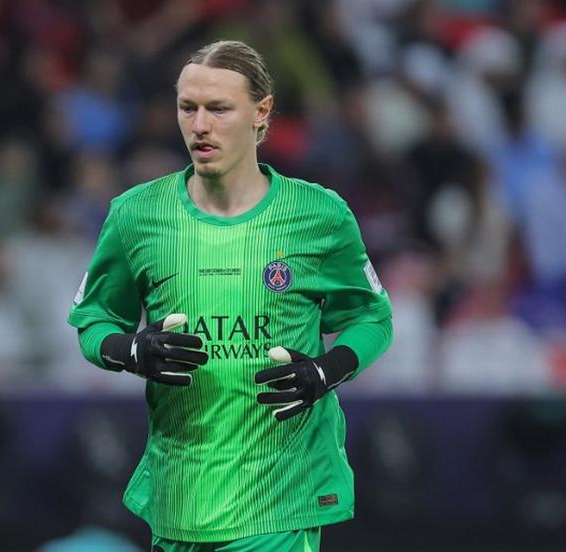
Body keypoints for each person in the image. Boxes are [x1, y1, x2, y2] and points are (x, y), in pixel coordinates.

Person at [68, 40, 393, 552]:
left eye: (218, 108)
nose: (200, 125)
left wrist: (326, 371)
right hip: (179, 497)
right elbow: (94, 322)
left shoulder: (319, 216)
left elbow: (373, 319)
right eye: (187, 107)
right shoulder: (136, 216)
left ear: (261, 112)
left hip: (280, 499)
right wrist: (130, 350)